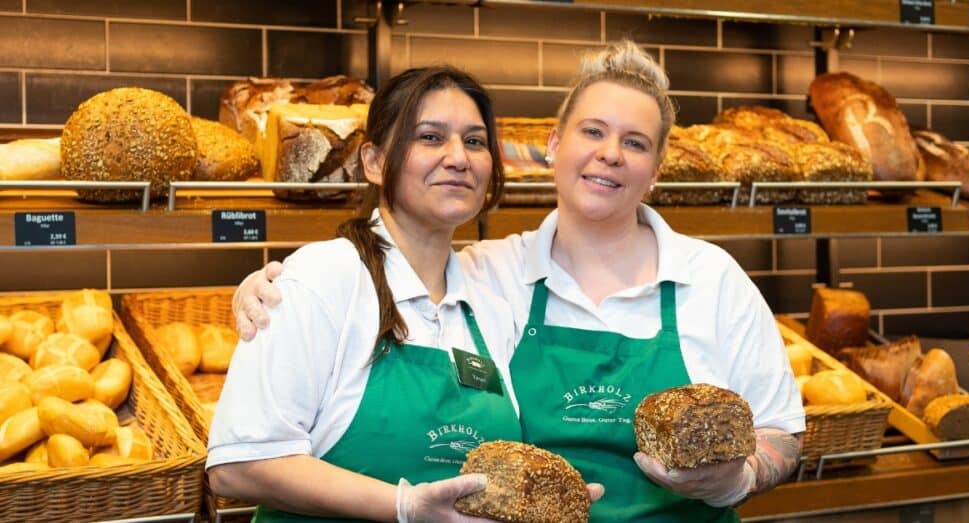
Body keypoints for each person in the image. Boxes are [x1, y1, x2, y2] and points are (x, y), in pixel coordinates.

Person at [233, 41, 805, 522]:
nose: (610, 154)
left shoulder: (713, 280)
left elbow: (784, 434)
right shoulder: (492, 274)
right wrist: (272, 291)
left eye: (635, 143)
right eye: (593, 131)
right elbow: (247, 453)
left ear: (655, 171)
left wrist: (735, 480)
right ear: (553, 148)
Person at [207, 66, 527, 522]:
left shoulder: (490, 301)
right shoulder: (323, 278)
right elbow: (238, 467)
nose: (459, 157)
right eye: (431, 138)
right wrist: (406, 506)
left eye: (475, 141)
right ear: (373, 162)